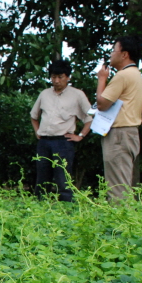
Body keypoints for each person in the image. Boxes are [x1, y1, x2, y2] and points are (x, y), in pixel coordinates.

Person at [29, 59, 93, 202]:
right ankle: (40, 206)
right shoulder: (45, 94)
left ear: (68, 77)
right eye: (53, 77)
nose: (56, 81)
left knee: (63, 178)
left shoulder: (77, 95)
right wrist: (37, 132)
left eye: (60, 77)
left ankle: (66, 207)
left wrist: (81, 135)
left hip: (63, 142)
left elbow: (89, 118)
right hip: (44, 141)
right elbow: (34, 116)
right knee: (42, 177)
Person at [96, 36, 142, 201]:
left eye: (113, 50)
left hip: (119, 134)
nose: (111, 54)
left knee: (117, 188)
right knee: (122, 184)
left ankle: (122, 225)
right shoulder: (136, 74)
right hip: (128, 133)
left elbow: (102, 103)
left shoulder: (123, 75)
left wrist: (102, 79)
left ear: (124, 54)